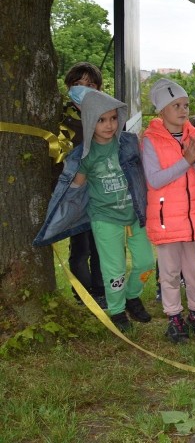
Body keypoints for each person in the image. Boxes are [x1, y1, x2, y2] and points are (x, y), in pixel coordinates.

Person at [34, 87, 155, 332]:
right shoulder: (83, 156)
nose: (109, 125)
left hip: (134, 215)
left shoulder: (129, 143)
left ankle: (132, 296)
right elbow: (75, 191)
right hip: (104, 218)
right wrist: (61, 217)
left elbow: (145, 172)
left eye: (113, 118)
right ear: (90, 121)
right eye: (101, 120)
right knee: (115, 268)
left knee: (145, 262)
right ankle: (118, 310)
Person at [142, 78, 195, 343]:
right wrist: (185, 161)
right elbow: (155, 180)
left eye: (186, 104)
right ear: (161, 110)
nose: (183, 110)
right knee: (170, 272)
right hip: (168, 221)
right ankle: (174, 317)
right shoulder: (151, 140)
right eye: (176, 105)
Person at [60, 62, 106, 308]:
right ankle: (82, 292)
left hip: (101, 195)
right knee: (80, 247)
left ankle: (101, 290)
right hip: (76, 195)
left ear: (98, 88)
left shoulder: (106, 115)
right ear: (69, 87)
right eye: (77, 85)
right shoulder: (62, 119)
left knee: (101, 245)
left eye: (90, 85)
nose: (83, 90)